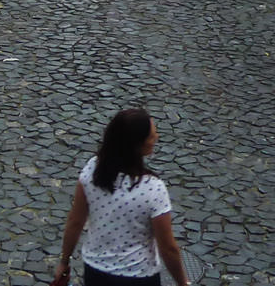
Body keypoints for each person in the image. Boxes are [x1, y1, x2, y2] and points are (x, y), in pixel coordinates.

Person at [52, 109, 191, 286]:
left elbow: (75, 221)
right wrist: (182, 283)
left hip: (96, 273)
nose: (156, 138)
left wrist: (64, 261)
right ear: (137, 146)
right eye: (151, 136)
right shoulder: (153, 188)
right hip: (139, 277)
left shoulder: (93, 169)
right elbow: (168, 248)